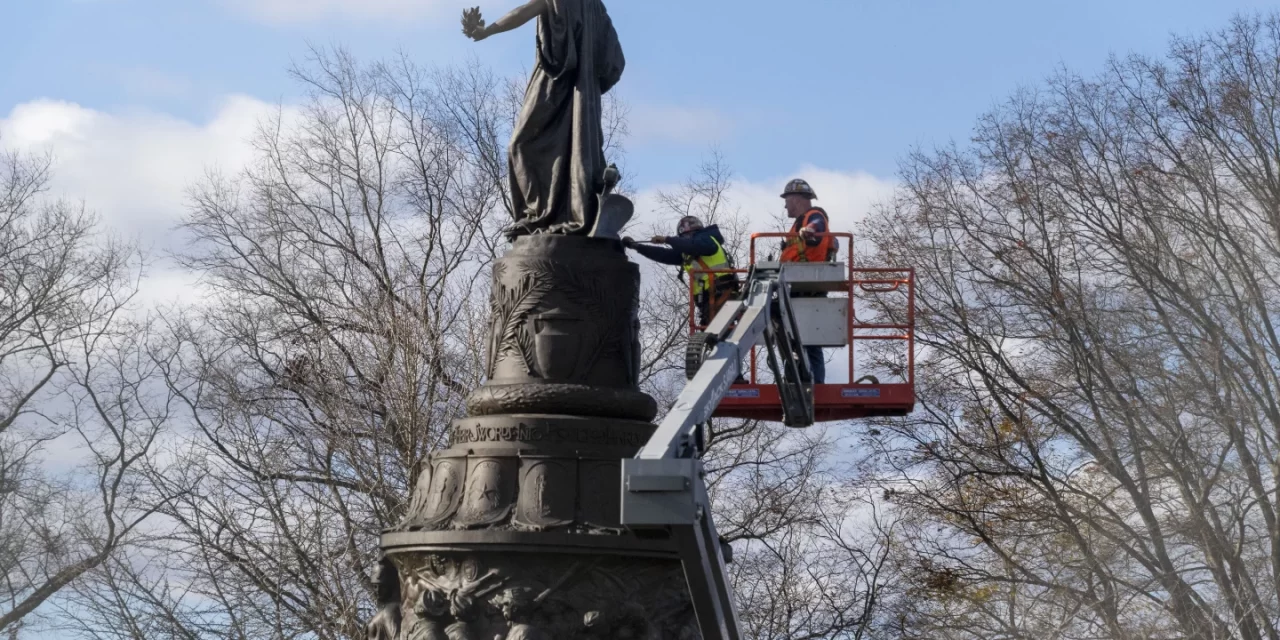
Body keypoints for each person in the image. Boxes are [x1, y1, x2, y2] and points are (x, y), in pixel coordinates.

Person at [624, 216, 739, 328]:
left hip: (722, 293)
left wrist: (667, 239)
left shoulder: (707, 239)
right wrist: (637, 246)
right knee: (717, 337)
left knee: (721, 333)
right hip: (709, 300)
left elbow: (693, 246)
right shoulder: (689, 253)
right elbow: (663, 255)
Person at [779, 178, 837, 384]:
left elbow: (817, 228)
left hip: (806, 286)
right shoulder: (799, 222)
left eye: (787, 199)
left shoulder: (814, 216)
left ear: (797, 198)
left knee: (809, 341)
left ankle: (813, 384)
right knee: (798, 339)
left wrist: (809, 230)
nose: (785, 204)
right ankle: (800, 379)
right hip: (796, 284)